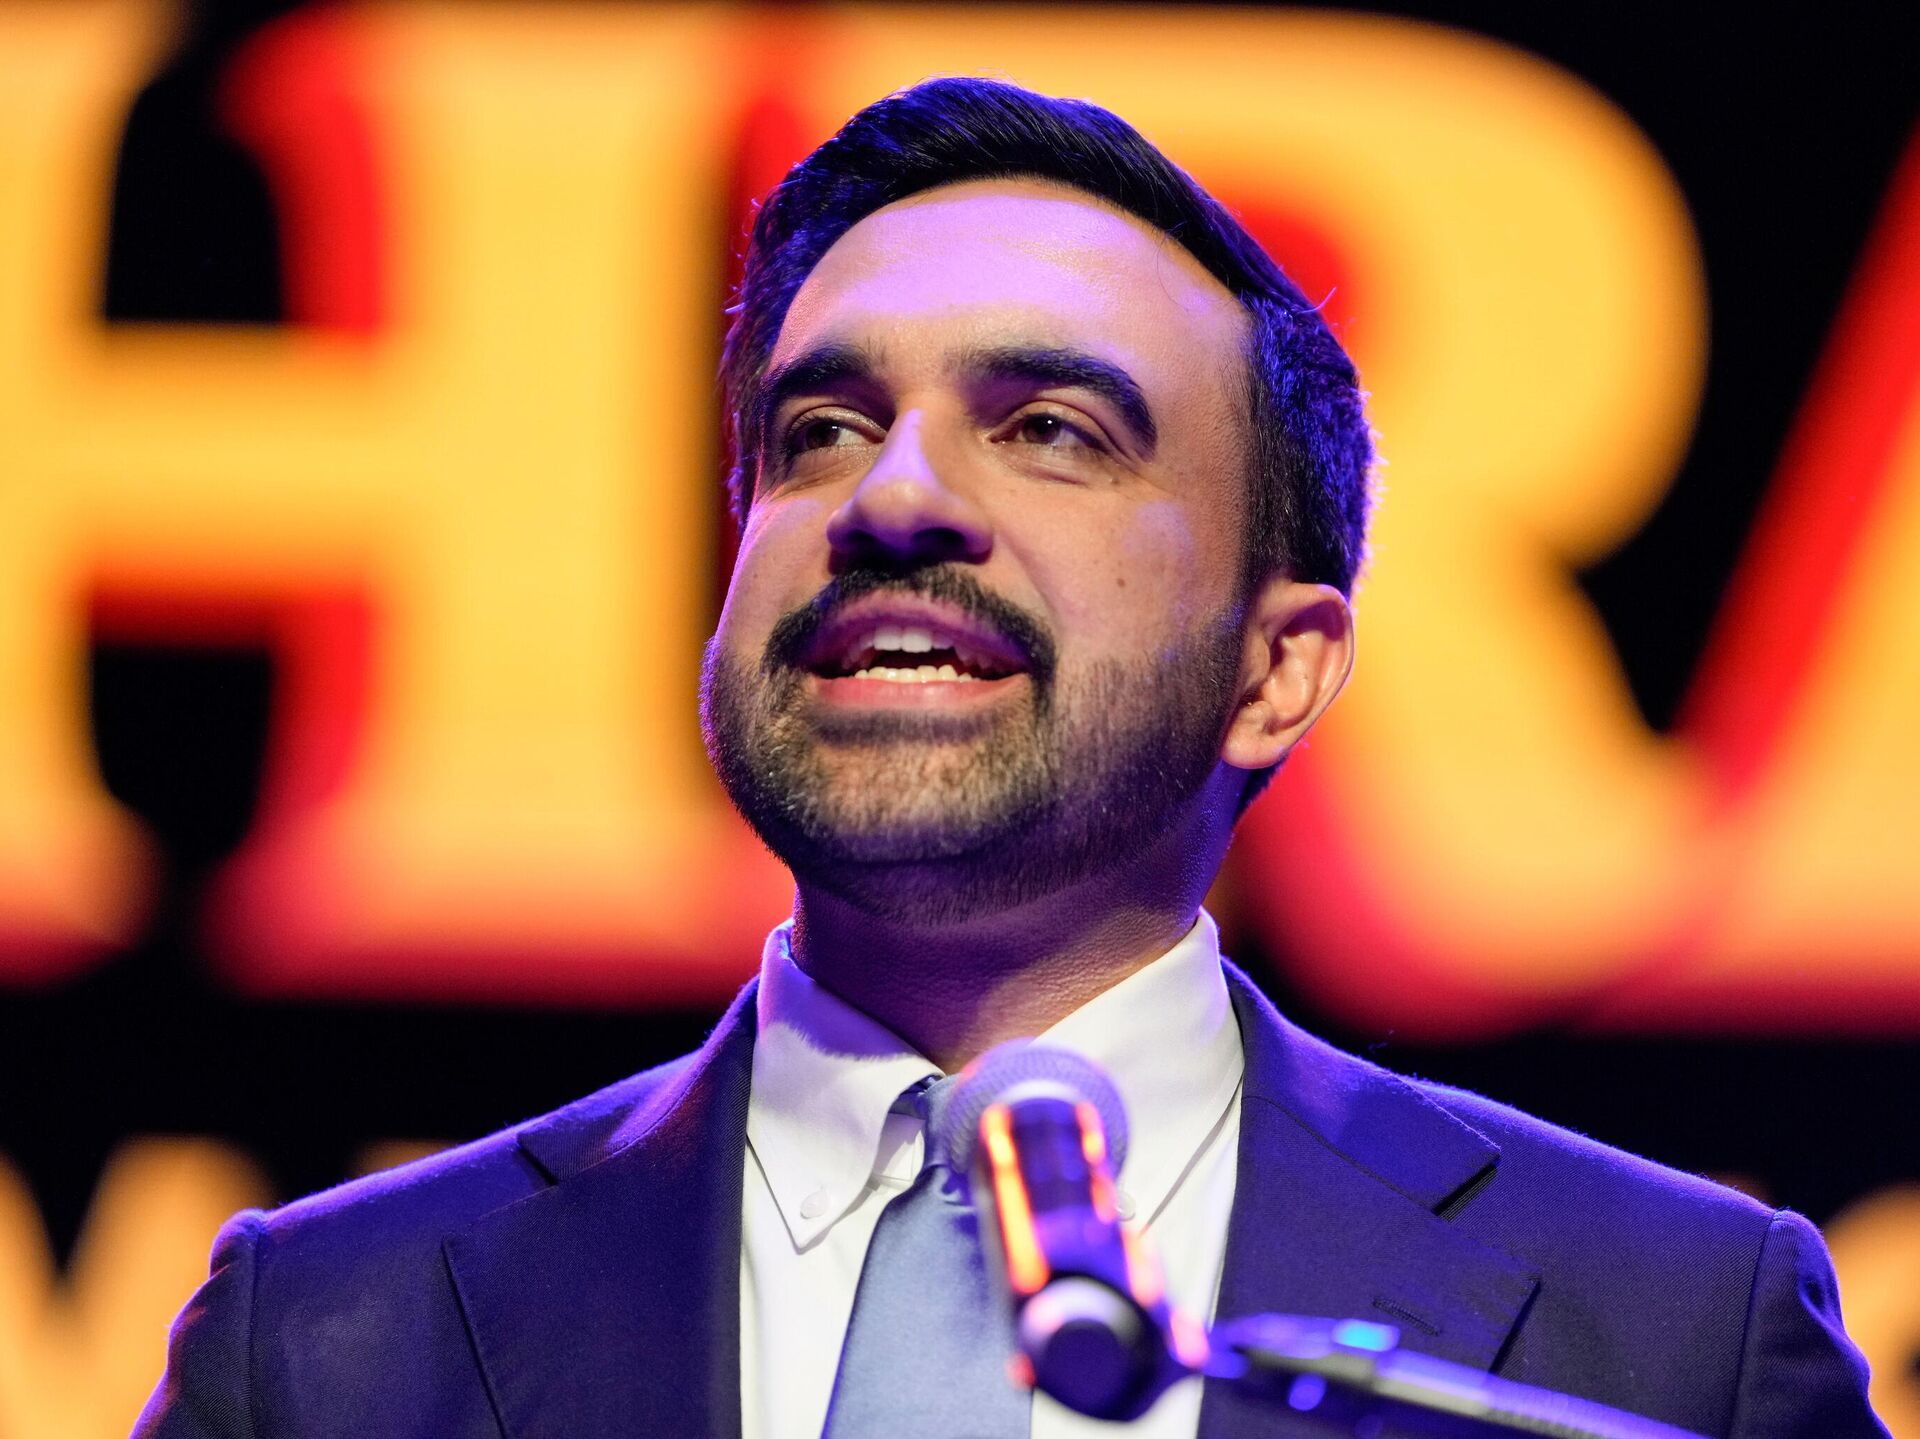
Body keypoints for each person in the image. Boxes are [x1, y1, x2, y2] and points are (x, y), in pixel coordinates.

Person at [136, 78, 1886, 1439]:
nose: (892, 496)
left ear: (1277, 671)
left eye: (1049, 428)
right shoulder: (327, 1337)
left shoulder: (1664, 1335)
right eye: (821, 430)